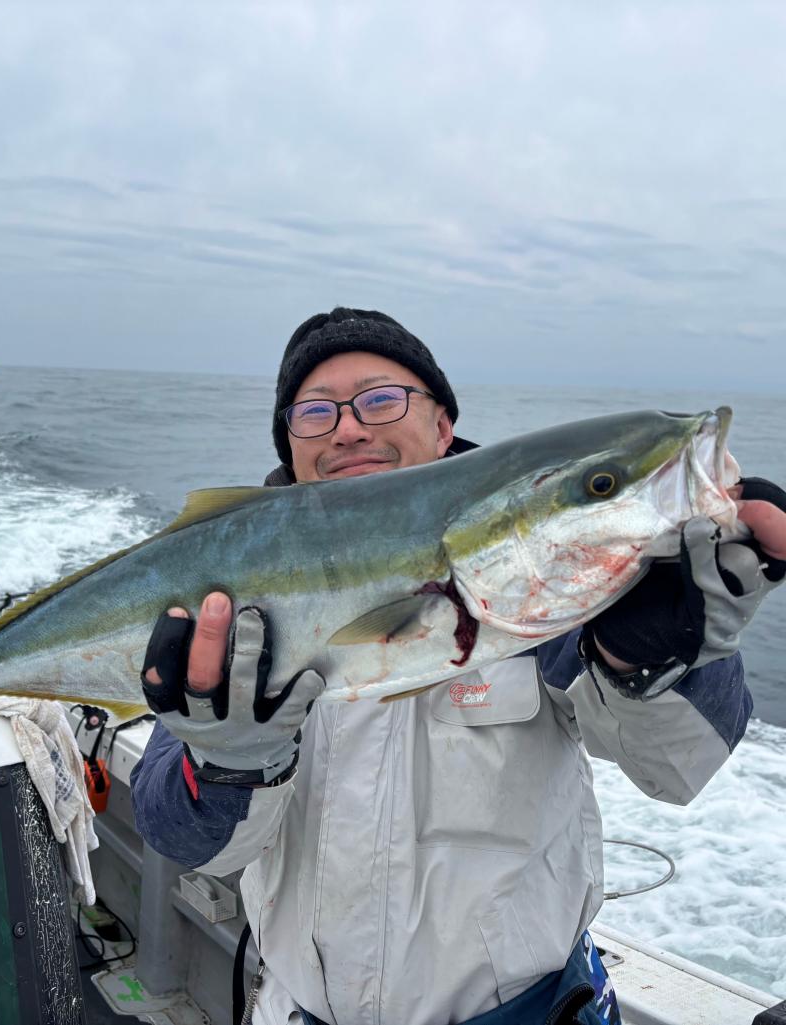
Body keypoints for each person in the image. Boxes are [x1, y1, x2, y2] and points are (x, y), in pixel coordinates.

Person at [131, 308, 786, 1025]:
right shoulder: (228, 597)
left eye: (380, 399)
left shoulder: (537, 570)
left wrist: (650, 656)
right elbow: (180, 839)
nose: (348, 427)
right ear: (291, 446)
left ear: (443, 425)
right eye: (315, 412)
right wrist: (226, 762)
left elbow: (678, 766)